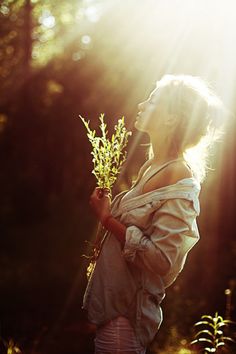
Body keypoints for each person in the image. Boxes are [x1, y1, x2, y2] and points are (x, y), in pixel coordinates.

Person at [83, 74, 223, 354]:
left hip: (126, 319)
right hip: (114, 314)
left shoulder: (178, 174)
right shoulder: (152, 167)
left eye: (152, 100)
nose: (141, 104)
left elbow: (161, 260)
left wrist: (107, 219)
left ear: (171, 118)